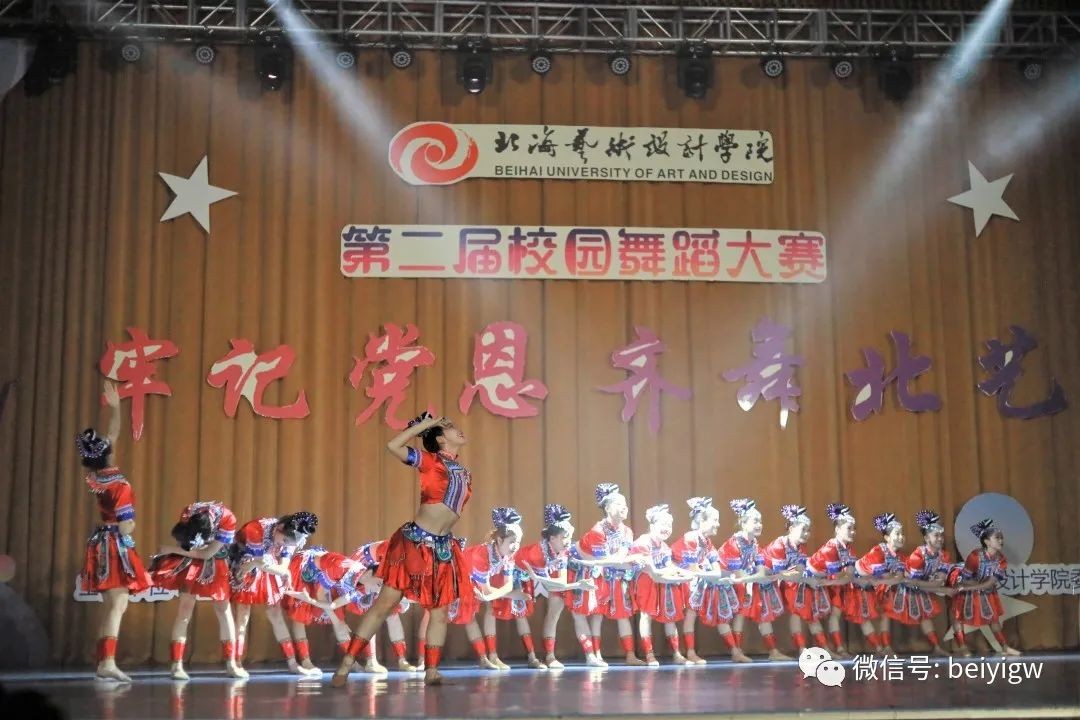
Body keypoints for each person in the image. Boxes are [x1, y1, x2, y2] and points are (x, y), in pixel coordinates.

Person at [332, 412, 473, 687]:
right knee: (385, 603)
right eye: (450, 427)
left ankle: (431, 670)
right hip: (414, 543)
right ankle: (346, 664)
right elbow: (393, 446)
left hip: (443, 546)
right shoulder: (430, 461)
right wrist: (423, 426)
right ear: (440, 439)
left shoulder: (464, 471)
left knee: (440, 611)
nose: (458, 430)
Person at [78, 380, 151, 682]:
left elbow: (113, 434)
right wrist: (131, 527)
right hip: (114, 542)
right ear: (106, 453)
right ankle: (107, 662)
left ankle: (103, 662)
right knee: (118, 603)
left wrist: (117, 408)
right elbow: (125, 523)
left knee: (112, 604)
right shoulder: (118, 485)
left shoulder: (99, 476)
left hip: (102, 540)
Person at [151, 501, 246, 679]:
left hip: (217, 559)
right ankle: (176, 666)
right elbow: (186, 544)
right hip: (192, 561)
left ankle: (231, 663)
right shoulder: (189, 511)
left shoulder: (227, 518)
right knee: (184, 611)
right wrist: (181, 548)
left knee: (224, 610)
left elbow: (207, 553)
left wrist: (170, 550)